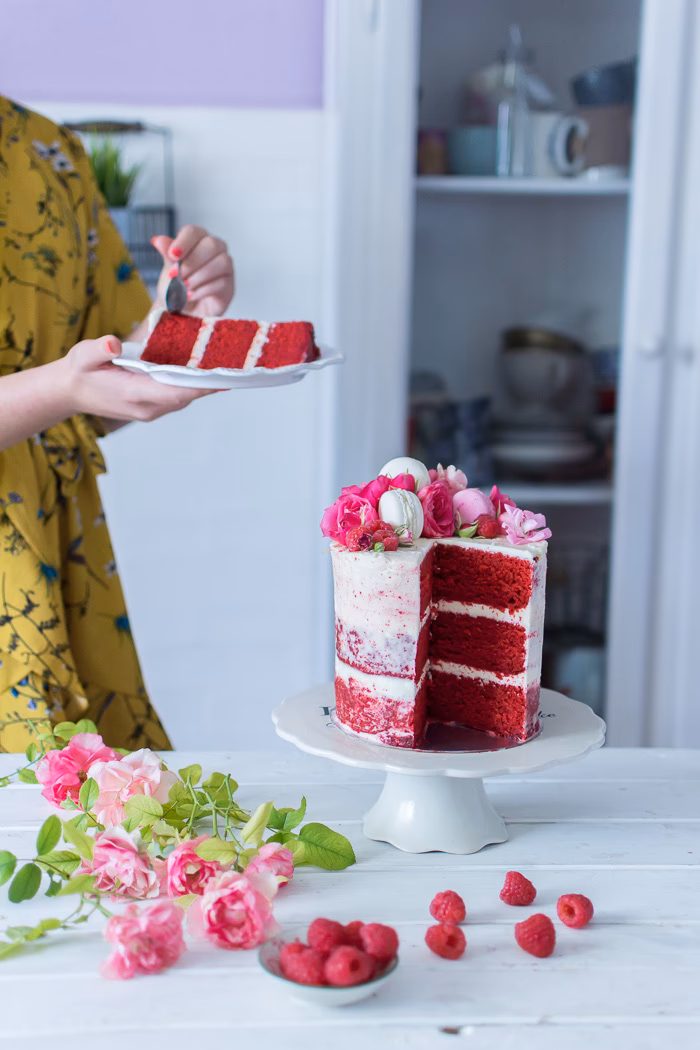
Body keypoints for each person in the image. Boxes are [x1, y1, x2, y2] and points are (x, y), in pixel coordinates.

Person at [0, 97, 234, 752]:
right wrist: (57, 388)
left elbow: (97, 385)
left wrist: (176, 313)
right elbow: (64, 386)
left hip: (59, 571)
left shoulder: (50, 152)